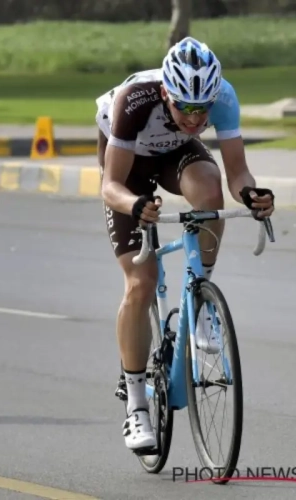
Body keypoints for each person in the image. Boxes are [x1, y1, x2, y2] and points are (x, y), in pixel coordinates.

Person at [94, 37, 275, 451]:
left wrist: (252, 195)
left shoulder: (222, 96)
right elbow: (111, 186)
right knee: (141, 281)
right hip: (128, 168)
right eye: (184, 108)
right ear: (164, 93)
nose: (195, 120)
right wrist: (135, 204)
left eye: (203, 109)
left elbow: (238, 174)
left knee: (210, 193)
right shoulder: (134, 100)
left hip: (172, 154)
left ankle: (200, 303)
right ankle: (136, 405)